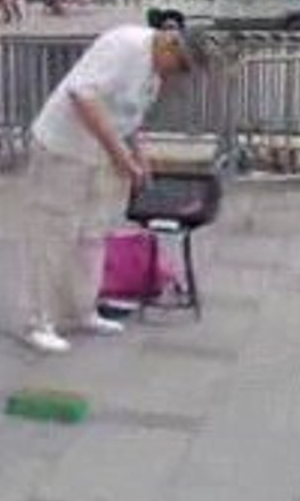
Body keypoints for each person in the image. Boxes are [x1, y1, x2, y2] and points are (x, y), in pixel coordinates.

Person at [21, 25, 211, 353]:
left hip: (100, 153)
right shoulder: (125, 46)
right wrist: (119, 153)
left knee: (93, 233)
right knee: (54, 234)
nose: (176, 76)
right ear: (169, 43)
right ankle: (37, 321)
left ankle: (81, 309)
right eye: (179, 66)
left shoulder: (153, 70)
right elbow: (82, 95)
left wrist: (139, 154)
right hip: (64, 146)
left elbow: (129, 114)